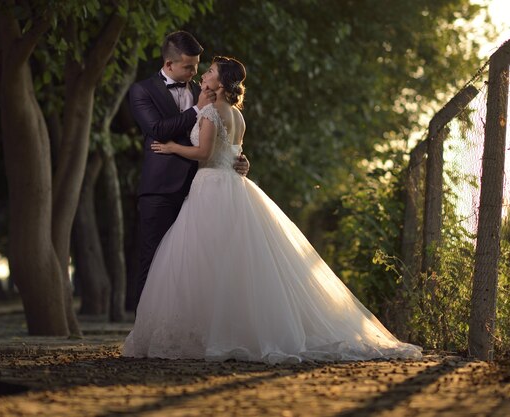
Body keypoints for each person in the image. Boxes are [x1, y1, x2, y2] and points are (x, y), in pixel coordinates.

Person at [122, 56, 422, 364]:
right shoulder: (238, 116)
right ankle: (227, 329)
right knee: (230, 261)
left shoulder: (211, 112)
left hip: (211, 186)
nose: (204, 74)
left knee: (206, 258)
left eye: (209, 71)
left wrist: (171, 147)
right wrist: (240, 161)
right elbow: (233, 152)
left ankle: (217, 333)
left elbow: (204, 153)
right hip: (232, 186)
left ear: (221, 84)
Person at [129, 31, 250, 308]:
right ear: (169, 64)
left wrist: (239, 159)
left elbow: (222, 135)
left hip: (203, 190)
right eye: (189, 67)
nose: (196, 73)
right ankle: (146, 330)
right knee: (154, 259)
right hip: (160, 190)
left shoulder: (206, 90)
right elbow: (157, 130)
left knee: (196, 263)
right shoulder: (142, 90)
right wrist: (196, 110)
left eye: (198, 67)